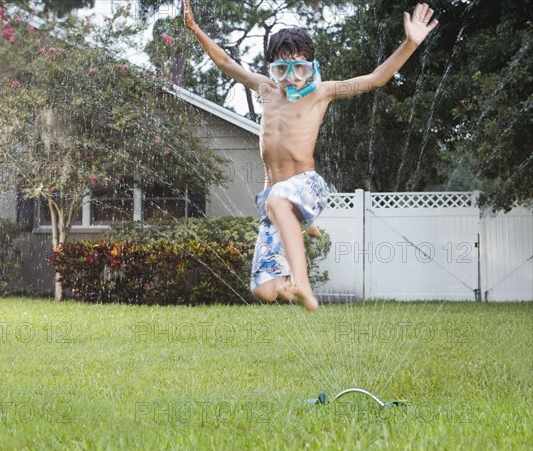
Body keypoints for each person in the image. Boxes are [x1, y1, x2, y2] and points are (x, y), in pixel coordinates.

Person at [184, 1, 439, 311]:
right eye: (282, 69)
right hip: (273, 202)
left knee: (279, 198)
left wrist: (411, 42)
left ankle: (303, 283)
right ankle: (292, 271)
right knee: (263, 290)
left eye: (300, 68)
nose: (291, 78)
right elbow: (225, 61)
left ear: (311, 68)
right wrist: (196, 30)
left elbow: (376, 78)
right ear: (271, 69)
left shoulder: (322, 92)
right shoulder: (265, 89)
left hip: (307, 185)